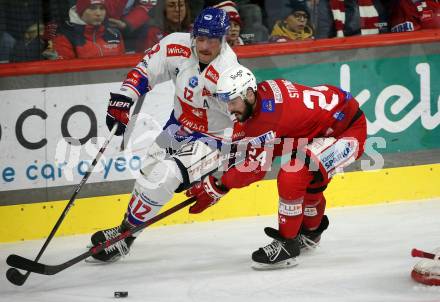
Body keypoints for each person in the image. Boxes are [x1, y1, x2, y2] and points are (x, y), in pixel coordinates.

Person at [89, 7, 241, 262]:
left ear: (224, 38)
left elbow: (246, 124)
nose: (204, 46)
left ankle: (124, 236)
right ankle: (126, 235)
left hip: (214, 139)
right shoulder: (176, 45)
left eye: (212, 40)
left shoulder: (230, 73)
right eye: (200, 38)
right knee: (149, 173)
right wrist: (124, 99)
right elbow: (145, 71)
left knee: (163, 176)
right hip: (178, 126)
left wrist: (223, 178)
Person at [185, 64, 367, 270]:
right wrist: (220, 179)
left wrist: (220, 184)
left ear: (249, 94)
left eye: (233, 101)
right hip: (322, 125)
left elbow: (254, 169)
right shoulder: (262, 96)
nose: (230, 108)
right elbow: (247, 147)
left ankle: (287, 245)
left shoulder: (266, 121)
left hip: (348, 132)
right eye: (227, 102)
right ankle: (311, 233)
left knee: (293, 175)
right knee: (309, 183)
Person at [52, 0, 125, 59]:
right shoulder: (65, 36)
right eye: (92, 8)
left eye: (102, 8)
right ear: (81, 12)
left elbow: (123, 65)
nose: (98, 13)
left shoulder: (114, 34)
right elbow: (66, 73)